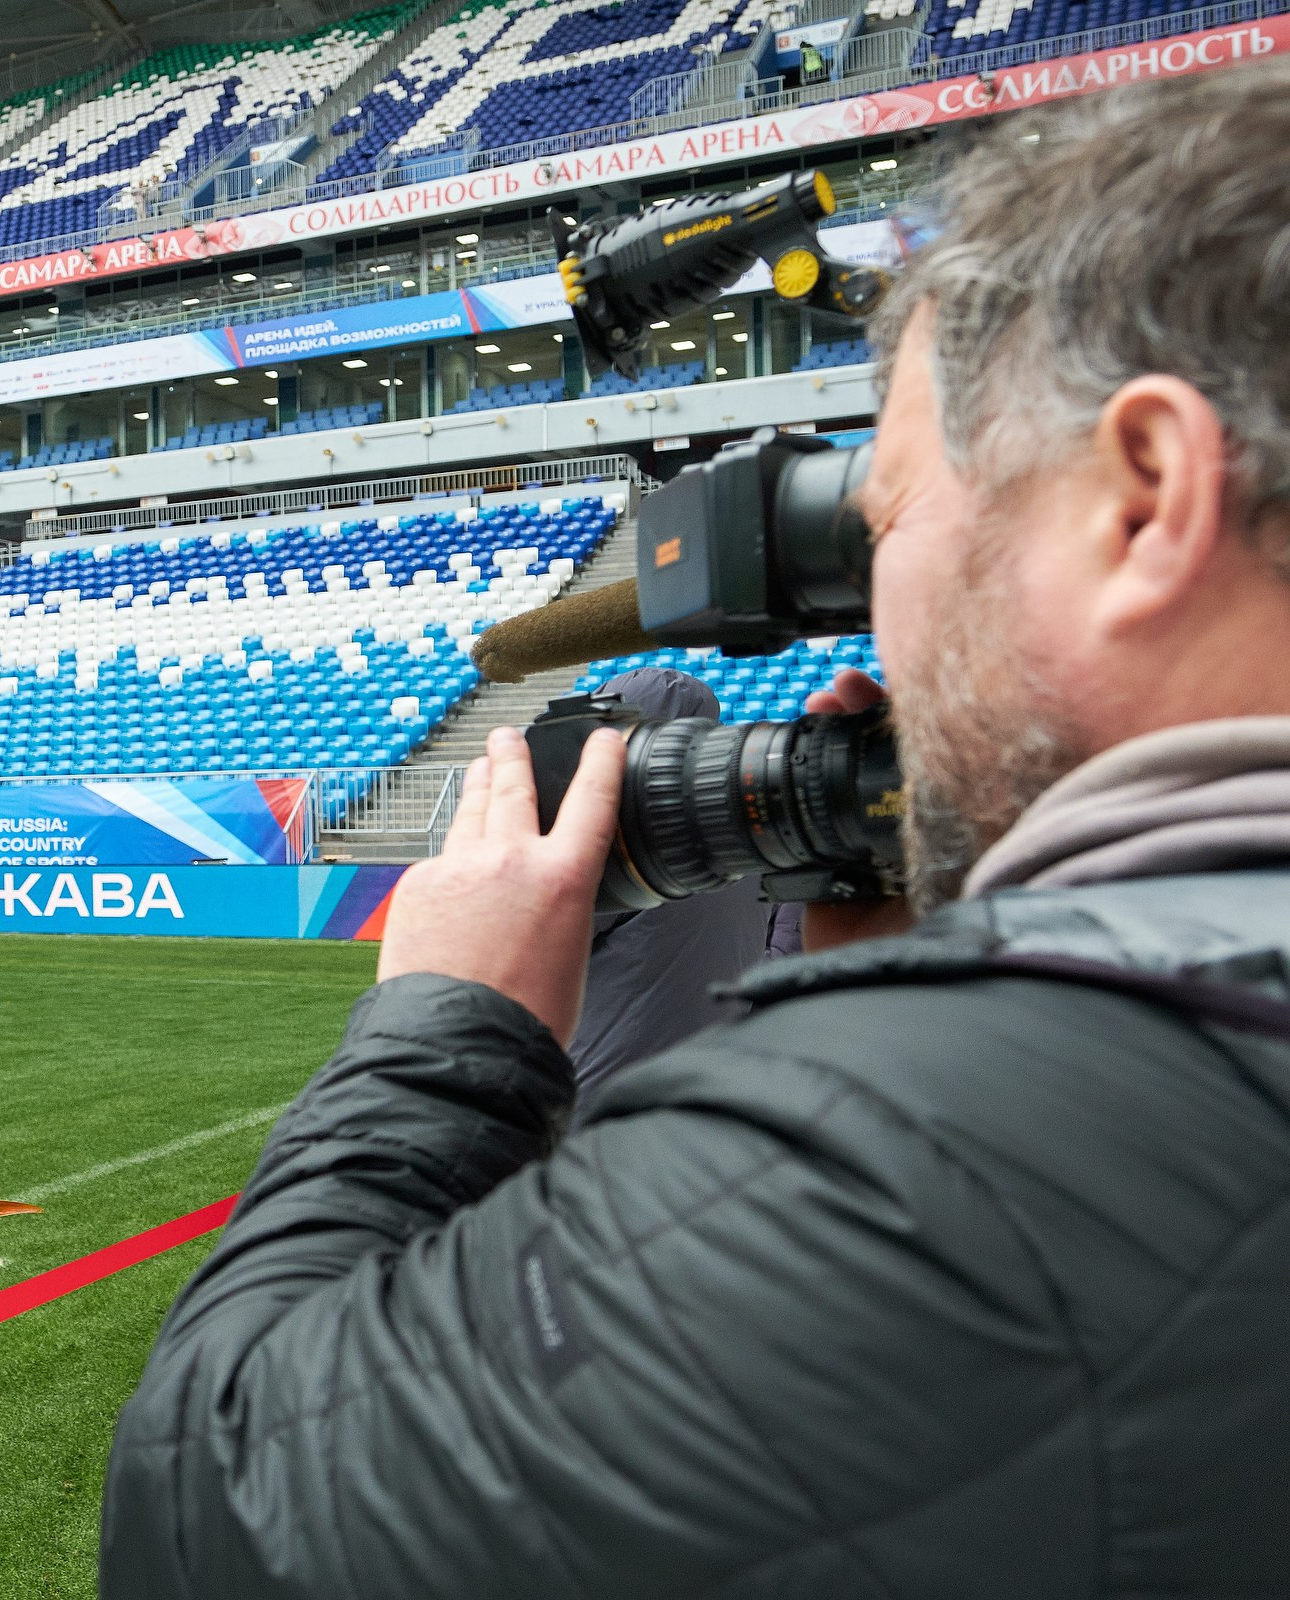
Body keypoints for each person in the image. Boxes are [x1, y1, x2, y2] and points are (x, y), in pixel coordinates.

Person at [104, 61, 1290, 1597]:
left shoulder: (962, 1158)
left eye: (894, 514)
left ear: (1142, 497)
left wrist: (440, 1028)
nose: (876, 605)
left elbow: (217, 1513)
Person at [567, 667, 770, 1099]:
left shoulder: (623, 829)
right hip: (713, 1072)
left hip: (613, 1081)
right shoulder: (749, 829)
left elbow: (535, 948)